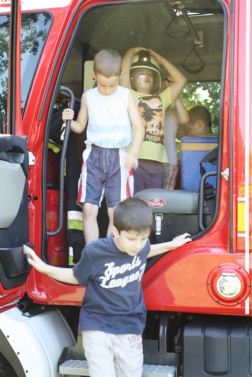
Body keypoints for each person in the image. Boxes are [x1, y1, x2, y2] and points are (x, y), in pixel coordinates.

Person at [23, 197, 191, 377]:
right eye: (132, 239)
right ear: (115, 232)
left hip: (130, 324)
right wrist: (44, 268)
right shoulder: (95, 252)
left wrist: (172, 245)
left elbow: (147, 250)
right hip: (97, 325)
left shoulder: (141, 246)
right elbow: (75, 276)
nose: (138, 245)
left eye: (143, 238)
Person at [62, 49, 144, 244]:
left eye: (112, 85)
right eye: (103, 84)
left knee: (115, 212)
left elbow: (139, 127)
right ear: (94, 75)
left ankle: (108, 252)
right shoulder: (89, 96)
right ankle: (92, 252)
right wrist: (68, 120)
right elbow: (80, 125)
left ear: (121, 75)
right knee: (89, 209)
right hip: (93, 156)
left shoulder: (126, 95)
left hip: (119, 157)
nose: (107, 90)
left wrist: (133, 153)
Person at [120, 47, 187, 194]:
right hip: (133, 159)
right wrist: (131, 50)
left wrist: (161, 60)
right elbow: (123, 70)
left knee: (153, 205)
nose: (146, 76)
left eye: (150, 74)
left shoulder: (162, 98)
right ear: (132, 78)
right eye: (141, 73)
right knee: (134, 203)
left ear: (155, 78)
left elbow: (181, 81)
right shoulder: (128, 94)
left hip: (157, 163)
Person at [161, 77, 189, 189]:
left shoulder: (172, 113)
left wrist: (176, 95)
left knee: (165, 199)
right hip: (150, 161)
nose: (163, 93)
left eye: (166, 90)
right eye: (160, 90)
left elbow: (184, 119)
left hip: (169, 163)